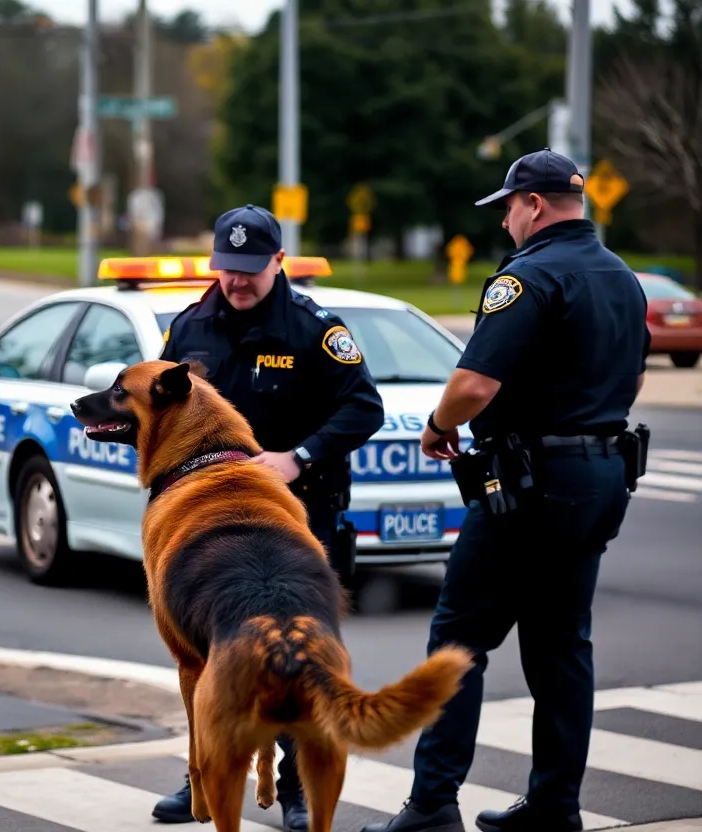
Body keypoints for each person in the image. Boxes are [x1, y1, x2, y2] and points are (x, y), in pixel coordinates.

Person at [362, 149, 651, 832]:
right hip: (602, 476)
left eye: (509, 210)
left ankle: (432, 804)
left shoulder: (528, 277)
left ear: (536, 205)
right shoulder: (623, 278)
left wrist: (438, 425)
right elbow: (633, 379)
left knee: (458, 637)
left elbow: (473, 384)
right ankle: (555, 805)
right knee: (560, 645)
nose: (505, 225)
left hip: (532, 483)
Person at [153, 204, 386, 832]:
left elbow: (365, 408)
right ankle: (202, 773)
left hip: (300, 518)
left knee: (300, 653)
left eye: (250, 271)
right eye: (226, 269)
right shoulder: (190, 325)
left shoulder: (313, 327)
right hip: (214, 528)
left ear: (279, 262)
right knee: (207, 652)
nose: (236, 282)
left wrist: (298, 457)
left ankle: (298, 789)